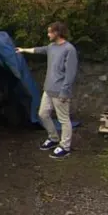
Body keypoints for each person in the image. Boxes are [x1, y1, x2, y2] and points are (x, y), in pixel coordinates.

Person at [15, 21, 78, 159]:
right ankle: (54, 138)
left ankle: (65, 147)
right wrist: (23, 50)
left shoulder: (69, 49)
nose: (48, 34)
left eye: (50, 32)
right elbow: (38, 50)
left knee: (63, 119)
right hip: (48, 90)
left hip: (60, 91)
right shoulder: (51, 47)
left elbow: (70, 73)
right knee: (42, 114)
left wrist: (65, 91)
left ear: (57, 33)